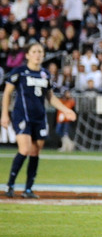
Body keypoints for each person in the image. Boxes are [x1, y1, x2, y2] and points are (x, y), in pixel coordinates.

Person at [3, 41, 77, 198]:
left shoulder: (45, 74)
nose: (37, 54)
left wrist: (65, 109)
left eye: (40, 52)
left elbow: (50, 97)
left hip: (40, 117)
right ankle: (10, 184)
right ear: (28, 55)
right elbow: (8, 93)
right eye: (34, 51)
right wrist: (4, 114)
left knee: (36, 151)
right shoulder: (20, 71)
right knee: (24, 149)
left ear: (43, 55)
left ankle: (28, 189)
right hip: (22, 115)